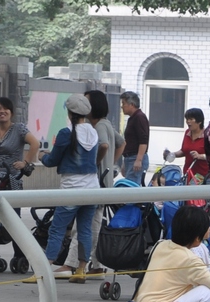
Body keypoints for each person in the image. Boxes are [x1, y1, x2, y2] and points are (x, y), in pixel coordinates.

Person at [40, 93, 99, 284]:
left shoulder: (66, 133)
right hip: (92, 188)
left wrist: (42, 157)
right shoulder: (93, 131)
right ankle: (81, 269)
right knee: (85, 230)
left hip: (71, 188)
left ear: (70, 112)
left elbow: (53, 160)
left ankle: (44, 270)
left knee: (57, 229)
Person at [64, 89, 120, 277]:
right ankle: (96, 266)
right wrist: (110, 163)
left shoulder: (99, 127)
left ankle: (72, 264)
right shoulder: (106, 124)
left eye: (85, 102)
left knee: (85, 226)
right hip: (103, 183)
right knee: (93, 226)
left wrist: (96, 162)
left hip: (97, 184)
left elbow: (104, 145)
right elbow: (122, 143)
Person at [0, 96, 40, 191]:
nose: (2, 111)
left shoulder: (19, 129)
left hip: (11, 178)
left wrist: (25, 163)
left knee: (10, 205)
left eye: (6, 108)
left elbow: (35, 143)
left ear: (11, 112)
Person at [167, 108, 208, 184]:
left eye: (191, 119)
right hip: (188, 173)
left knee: (196, 195)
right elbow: (184, 151)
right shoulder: (187, 133)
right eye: (187, 119)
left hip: (202, 175)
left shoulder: (208, 135)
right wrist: (172, 154)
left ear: (199, 121)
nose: (188, 122)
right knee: (188, 194)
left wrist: (200, 156)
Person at [119, 91, 149, 185]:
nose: (122, 106)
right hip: (130, 157)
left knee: (131, 188)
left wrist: (138, 160)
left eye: (123, 103)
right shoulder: (132, 118)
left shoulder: (139, 117)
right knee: (130, 186)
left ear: (131, 104)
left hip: (135, 157)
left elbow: (143, 140)